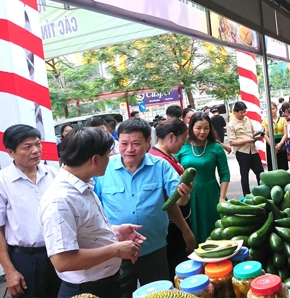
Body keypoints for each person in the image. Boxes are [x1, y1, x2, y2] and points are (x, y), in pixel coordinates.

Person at [39, 127, 146, 297]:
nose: (110, 160)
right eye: (108, 156)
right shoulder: (60, 199)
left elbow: (83, 228)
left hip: (107, 284)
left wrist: (114, 231)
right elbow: (62, 260)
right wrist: (115, 250)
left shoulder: (84, 185)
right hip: (86, 290)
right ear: (95, 159)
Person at [93, 118, 195, 297]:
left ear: (148, 142)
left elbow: (177, 201)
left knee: (160, 293)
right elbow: (94, 208)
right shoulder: (104, 169)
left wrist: (184, 193)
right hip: (117, 252)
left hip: (153, 248)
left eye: (136, 144)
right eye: (124, 144)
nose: (129, 149)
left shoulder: (161, 166)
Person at [0, 125, 61, 297]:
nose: (35, 150)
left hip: (58, 253)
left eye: (37, 144)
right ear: (11, 152)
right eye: (27, 147)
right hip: (26, 259)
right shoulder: (3, 182)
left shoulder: (53, 174)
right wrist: (10, 271)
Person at [177, 112, 230, 243]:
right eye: (198, 128)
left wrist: (222, 197)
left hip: (211, 194)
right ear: (191, 127)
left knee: (215, 231)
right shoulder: (182, 147)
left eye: (206, 128)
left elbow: (225, 174)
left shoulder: (216, 147)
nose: (202, 131)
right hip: (188, 195)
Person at [149, 119, 190, 282]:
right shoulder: (159, 161)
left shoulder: (168, 156)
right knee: (177, 267)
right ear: (171, 137)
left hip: (178, 222)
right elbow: (177, 201)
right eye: (183, 139)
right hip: (173, 225)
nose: (184, 144)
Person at [227, 101, 263, 196]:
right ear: (235, 112)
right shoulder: (231, 125)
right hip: (242, 152)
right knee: (244, 175)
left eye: (244, 112)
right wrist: (247, 140)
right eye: (241, 112)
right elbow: (232, 142)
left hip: (253, 149)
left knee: (260, 173)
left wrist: (257, 136)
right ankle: (246, 196)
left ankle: (263, 192)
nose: (243, 114)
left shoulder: (247, 119)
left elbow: (253, 132)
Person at [262, 102, 289, 171]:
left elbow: (285, 133)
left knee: (282, 164)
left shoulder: (283, 120)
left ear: (276, 109)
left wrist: (280, 143)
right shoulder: (265, 121)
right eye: (269, 109)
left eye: (273, 109)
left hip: (281, 142)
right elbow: (265, 134)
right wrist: (272, 146)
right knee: (272, 164)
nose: (271, 111)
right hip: (270, 143)